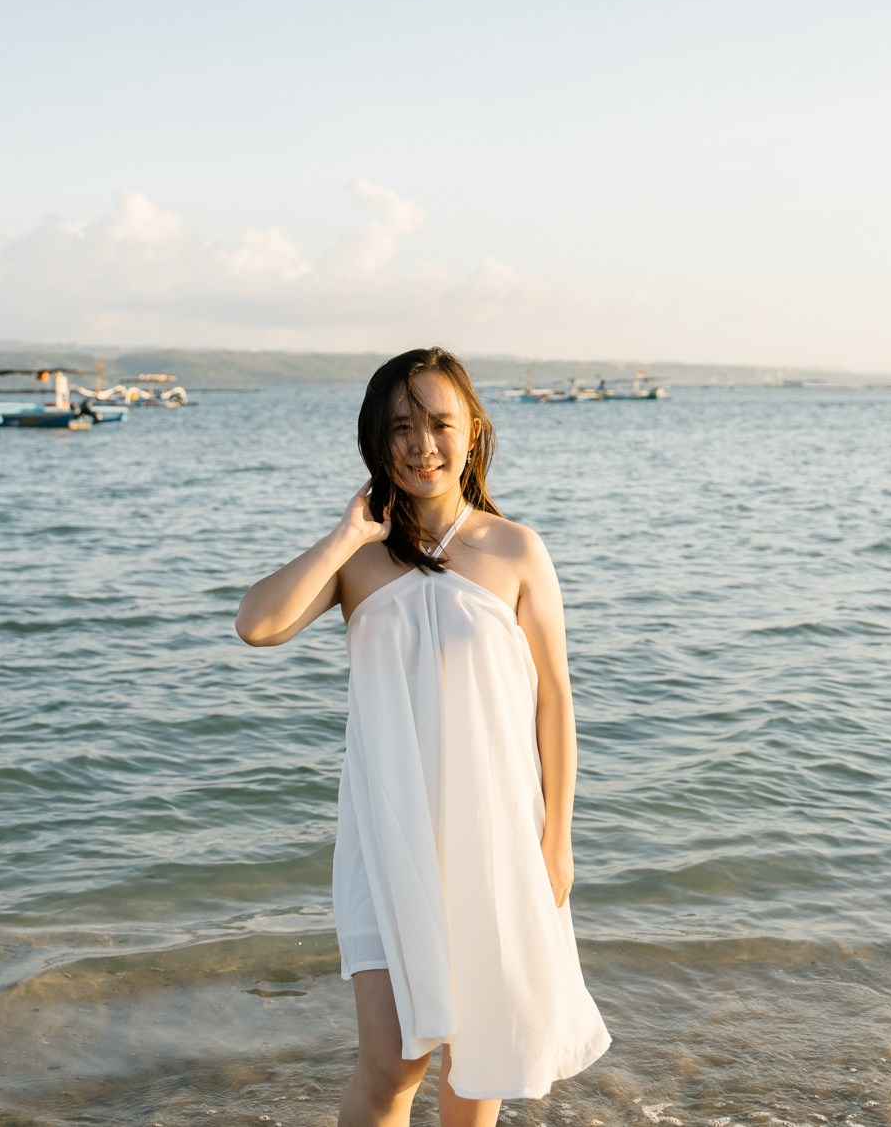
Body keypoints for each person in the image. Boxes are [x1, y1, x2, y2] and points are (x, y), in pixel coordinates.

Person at [235, 346, 611, 1127]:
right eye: (400, 426)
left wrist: (557, 838)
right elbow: (257, 625)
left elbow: (556, 702)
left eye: (440, 422)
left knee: (478, 1068)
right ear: (377, 439)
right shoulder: (359, 563)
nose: (422, 443)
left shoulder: (517, 551)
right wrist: (344, 537)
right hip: (386, 838)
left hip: (495, 835)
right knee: (392, 1063)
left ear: (472, 430)